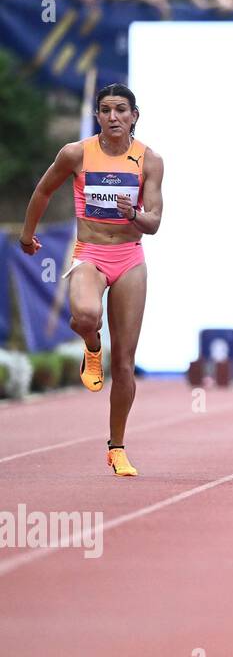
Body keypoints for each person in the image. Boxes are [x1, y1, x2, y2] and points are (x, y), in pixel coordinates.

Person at [17, 84, 165, 477]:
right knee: (84, 314)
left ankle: (117, 446)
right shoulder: (76, 153)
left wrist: (133, 213)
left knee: (127, 364)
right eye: (105, 110)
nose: (113, 117)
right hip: (91, 253)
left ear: (134, 115)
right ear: (97, 116)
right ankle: (91, 346)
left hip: (130, 258)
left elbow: (154, 223)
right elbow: (44, 189)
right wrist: (28, 234)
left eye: (121, 110)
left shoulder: (148, 160)